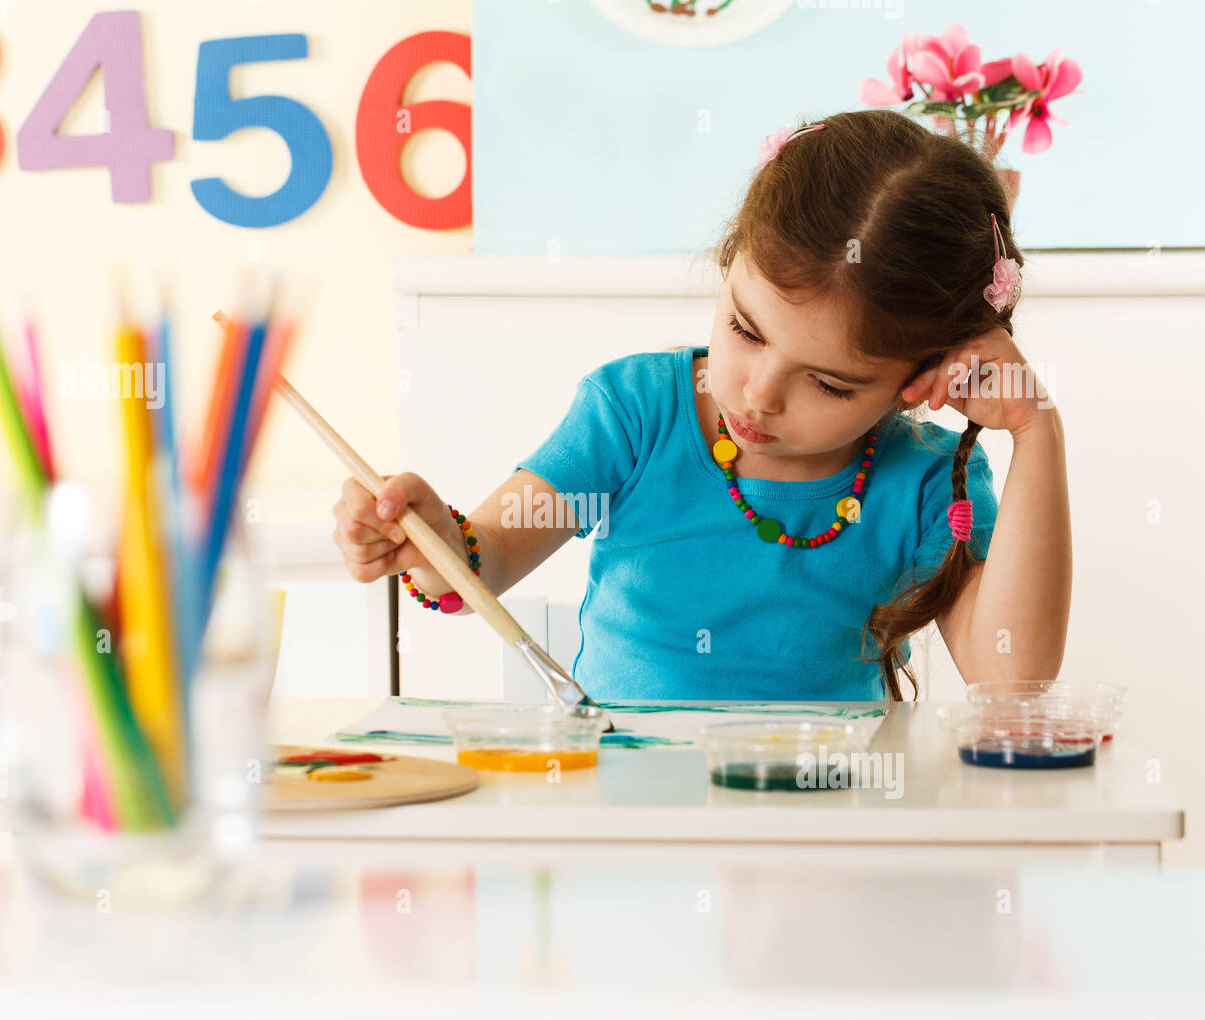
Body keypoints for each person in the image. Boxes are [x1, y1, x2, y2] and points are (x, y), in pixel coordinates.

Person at [333, 109, 1071, 701]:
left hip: (825, 831)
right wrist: (427, 543)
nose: (758, 391)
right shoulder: (634, 413)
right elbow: (484, 557)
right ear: (729, 265)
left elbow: (1013, 681)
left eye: (829, 384)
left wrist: (1038, 433)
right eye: (745, 329)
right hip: (633, 829)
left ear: (927, 375)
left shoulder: (923, 484)